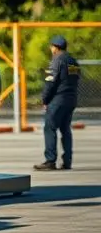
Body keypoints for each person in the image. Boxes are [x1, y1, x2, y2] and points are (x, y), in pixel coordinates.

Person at [34, 35, 81, 171]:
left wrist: (45, 99)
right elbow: (75, 79)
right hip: (71, 99)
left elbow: (51, 82)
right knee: (65, 129)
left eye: (51, 47)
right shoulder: (73, 61)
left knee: (50, 128)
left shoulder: (57, 61)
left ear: (55, 47)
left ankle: (50, 160)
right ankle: (67, 161)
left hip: (58, 100)